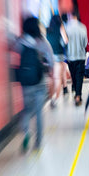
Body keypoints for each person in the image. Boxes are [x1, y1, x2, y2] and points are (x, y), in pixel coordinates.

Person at [15, 17, 54, 152]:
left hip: (26, 82)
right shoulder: (43, 41)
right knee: (39, 112)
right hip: (40, 81)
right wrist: (50, 73)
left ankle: (26, 133)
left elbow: (13, 50)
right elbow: (51, 61)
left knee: (27, 110)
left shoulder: (21, 41)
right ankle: (38, 142)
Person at [65, 11, 88, 106]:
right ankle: (78, 95)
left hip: (70, 57)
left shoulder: (65, 27)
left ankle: (76, 94)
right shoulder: (83, 27)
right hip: (81, 56)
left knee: (74, 76)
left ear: (69, 16)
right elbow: (85, 43)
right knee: (79, 77)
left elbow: (63, 43)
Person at [46, 14, 68, 108]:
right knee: (57, 78)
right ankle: (55, 99)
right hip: (58, 54)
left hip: (48, 55)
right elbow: (66, 41)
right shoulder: (61, 26)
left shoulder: (47, 29)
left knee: (51, 79)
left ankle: (51, 98)